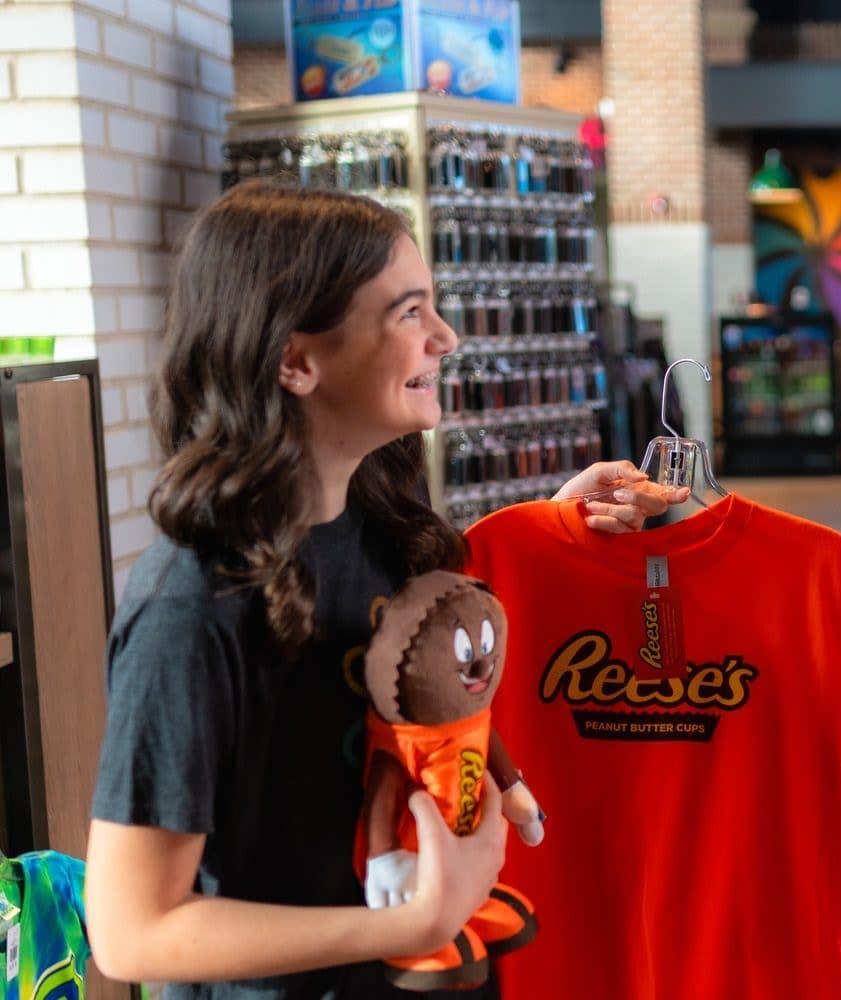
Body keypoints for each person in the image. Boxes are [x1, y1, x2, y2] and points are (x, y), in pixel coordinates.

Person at [84, 181, 684, 997]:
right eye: (408, 313)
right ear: (296, 360)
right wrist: (414, 923)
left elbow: (428, 644)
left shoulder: (378, 527)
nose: (446, 337)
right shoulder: (190, 607)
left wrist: (554, 527)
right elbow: (132, 932)